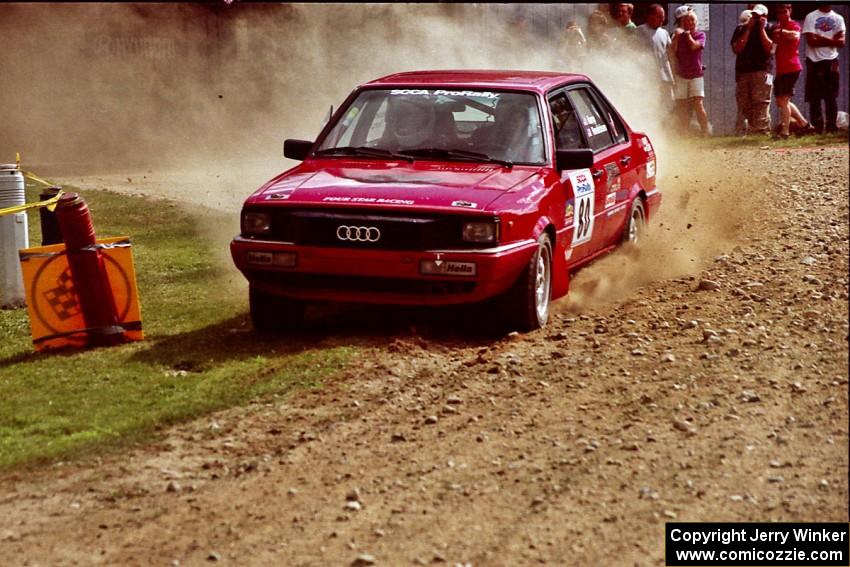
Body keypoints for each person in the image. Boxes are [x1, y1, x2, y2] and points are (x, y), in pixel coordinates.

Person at [730, 4, 775, 136]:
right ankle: (742, 132)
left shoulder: (770, 28)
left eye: (759, 16)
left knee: (762, 102)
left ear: (765, 17)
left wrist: (761, 30)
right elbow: (737, 49)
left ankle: (761, 132)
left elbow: (770, 49)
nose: (756, 18)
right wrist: (748, 29)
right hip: (744, 72)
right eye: (754, 15)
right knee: (744, 104)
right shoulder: (741, 29)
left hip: (763, 71)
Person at [772, 4, 815, 139]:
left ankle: (785, 132)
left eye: (784, 12)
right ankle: (804, 124)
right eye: (779, 13)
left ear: (790, 11)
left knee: (784, 100)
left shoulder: (793, 25)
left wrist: (781, 32)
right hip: (781, 69)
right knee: (781, 101)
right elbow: (773, 48)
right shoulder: (777, 28)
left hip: (791, 67)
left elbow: (795, 36)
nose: (782, 15)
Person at [803, 4, 846, 133]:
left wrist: (820, 38)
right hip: (814, 61)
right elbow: (811, 40)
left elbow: (841, 42)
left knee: (831, 97)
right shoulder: (811, 16)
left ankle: (832, 127)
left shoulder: (838, 18)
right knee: (814, 98)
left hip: (831, 60)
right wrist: (832, 40)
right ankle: (817, 128)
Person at [670, 7, 710, 136]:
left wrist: (686, 35)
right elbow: (671, 52)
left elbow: (694, 46)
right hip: (681, 74)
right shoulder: (677, 35)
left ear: (695, 22)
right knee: (681, 105)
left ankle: (705, 132)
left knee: (698, 103)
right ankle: (684, 132)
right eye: (686, 20)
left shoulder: (700, 35)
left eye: (692, 20)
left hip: (696, 74)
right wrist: (676, 37)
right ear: (682, 22)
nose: (689, 23)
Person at [637, 4, 674, 111]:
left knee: (667, 106)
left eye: (663, 17)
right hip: (649, 77)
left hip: (665, 77)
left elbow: (670, 54)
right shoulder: (640, 31)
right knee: (651, 105)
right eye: (659, 16)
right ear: (650, 16)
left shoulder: (664, 33)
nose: (662, 20)